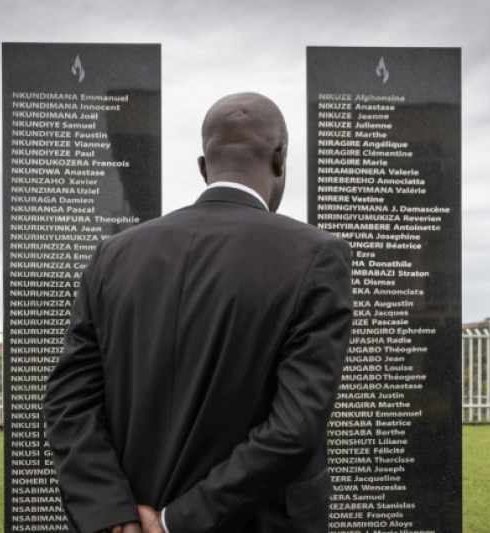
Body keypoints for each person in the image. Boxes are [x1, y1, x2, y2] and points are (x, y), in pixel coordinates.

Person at [43, 92, 353, 533]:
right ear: (280, 158)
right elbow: (294, 427)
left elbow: (68, 401)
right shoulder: (317, 256)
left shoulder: (113, 255)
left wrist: (114, 514)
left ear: (204, 167)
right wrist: (175, 524)